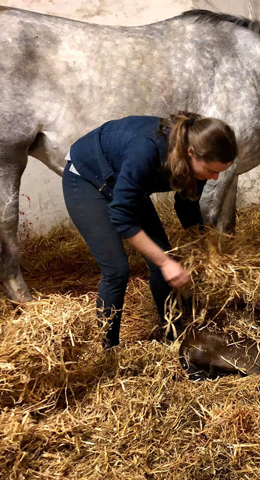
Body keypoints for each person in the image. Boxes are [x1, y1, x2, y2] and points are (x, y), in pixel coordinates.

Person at [62, 112, 237, 348]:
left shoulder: (199, 157)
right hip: (88, 177)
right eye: (212, 171)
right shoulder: (146, 150)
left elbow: (187, 204)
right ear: (191, 153)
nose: (215, 178)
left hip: (124, 181)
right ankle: (108, 349)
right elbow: (121, 215)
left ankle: (172, 336)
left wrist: (205, 245)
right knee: (117, 269)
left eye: (220, 172)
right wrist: (166, 263)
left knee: (163, 254)